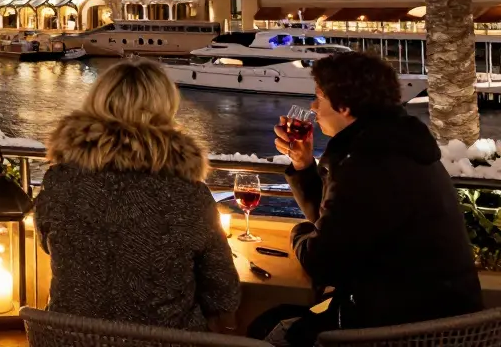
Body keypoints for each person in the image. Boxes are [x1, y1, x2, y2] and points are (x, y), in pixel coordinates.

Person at [263, 52, 482, 346]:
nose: (313, 108)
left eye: (319, 97)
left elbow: (322, 262)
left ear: (344, 106)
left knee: (272, 330)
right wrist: (304, 165)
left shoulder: (369, 162)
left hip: (400, 332)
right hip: (447, 323)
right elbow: (341, 224)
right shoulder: (400, 145)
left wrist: (299, 232)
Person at [36, 59, 240, 332]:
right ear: (166, 110)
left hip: (69, 338)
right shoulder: (188, 194)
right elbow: (224, 295)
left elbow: (47, 243)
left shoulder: (59, 181)